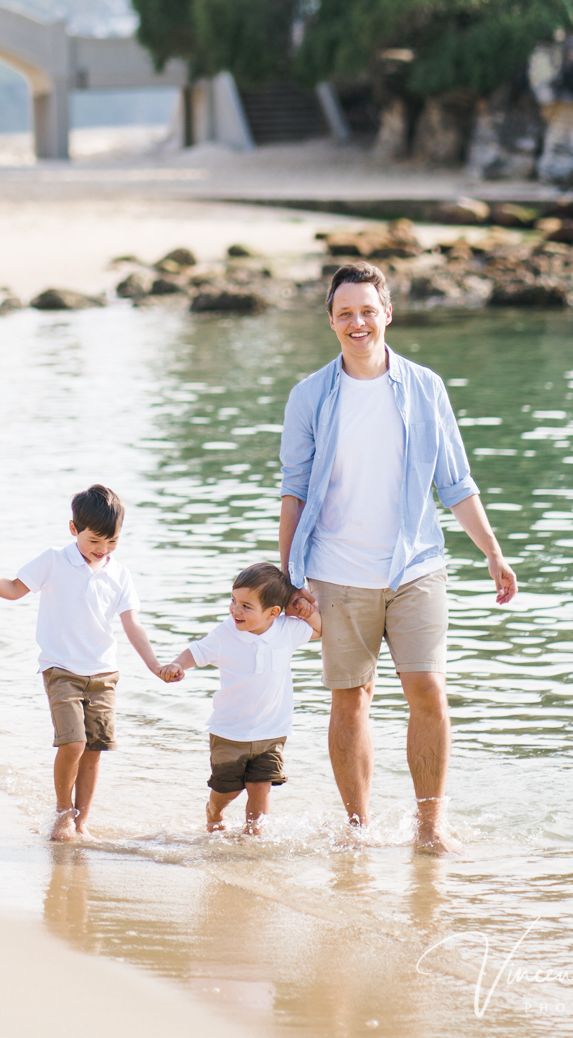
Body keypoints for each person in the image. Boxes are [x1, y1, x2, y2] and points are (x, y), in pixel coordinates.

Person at [278, 262, 517, 853]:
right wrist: (289, 577)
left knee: (429, 692)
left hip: (416, 566)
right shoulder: (310, 395)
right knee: (351, 697)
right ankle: (359, 830)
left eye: (367, 310)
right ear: (331, 322)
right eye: (345, 314)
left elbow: (456, 481)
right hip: (335, 570)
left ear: (387, 313)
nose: (357, 322)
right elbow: (295, 488)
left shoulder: (425, 387)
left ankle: (429, 827)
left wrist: (492, 552)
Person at [0, 483, 174, 841]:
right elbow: (15, 588)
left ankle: (81, 822)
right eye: (94, 541)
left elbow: (133, 625)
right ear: (74, 529)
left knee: (94, 750)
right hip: (61, 669)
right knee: (73, 744)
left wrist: (155, 665)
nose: (102, 550)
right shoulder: (54, 560)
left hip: (104, 674)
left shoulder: (120, 575)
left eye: (111, 542)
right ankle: (62, 813)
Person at [163, 561, 322, 834]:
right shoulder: (226, 633)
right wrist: (177, 665)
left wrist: (308, 613)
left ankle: (253, 839)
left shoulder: (287, 630)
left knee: (261, 788)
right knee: (228, 789)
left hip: (272, 731)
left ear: (273, 612)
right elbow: (197, 651)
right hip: (229, 731)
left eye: (246, 606)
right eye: (234, 601)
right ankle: (214, 811)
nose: (236, 610)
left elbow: (318, 630)